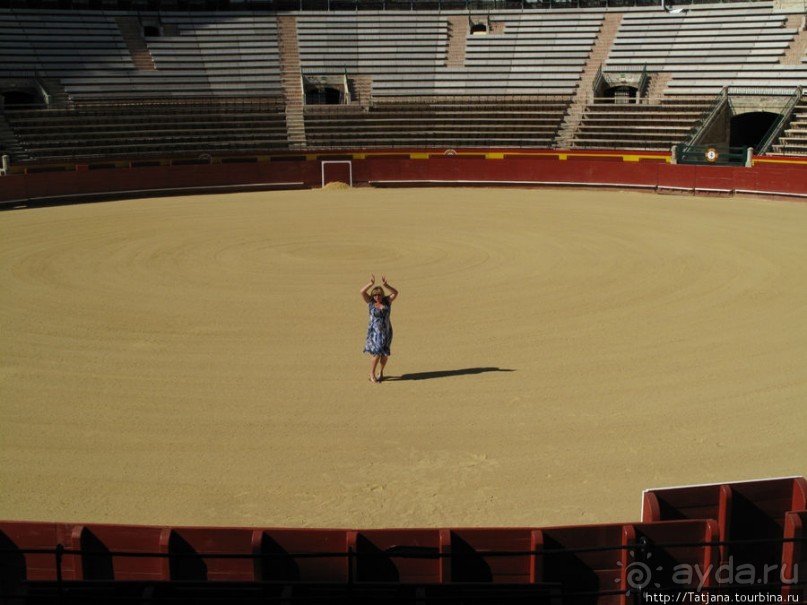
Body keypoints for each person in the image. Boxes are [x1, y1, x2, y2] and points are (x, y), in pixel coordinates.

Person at [360, 274, 398, 383]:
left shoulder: (387, 301)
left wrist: (386, 285)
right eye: (375, 295)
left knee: (384, 354)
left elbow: (395, 293)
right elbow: (362, 291)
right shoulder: (370, 302)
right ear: (373, 296)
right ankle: (371, 373)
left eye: (379, 295)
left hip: (386, 331)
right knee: (377, 353)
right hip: (375, 332)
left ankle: (380, 372)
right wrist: (370, 284)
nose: (377, 297)